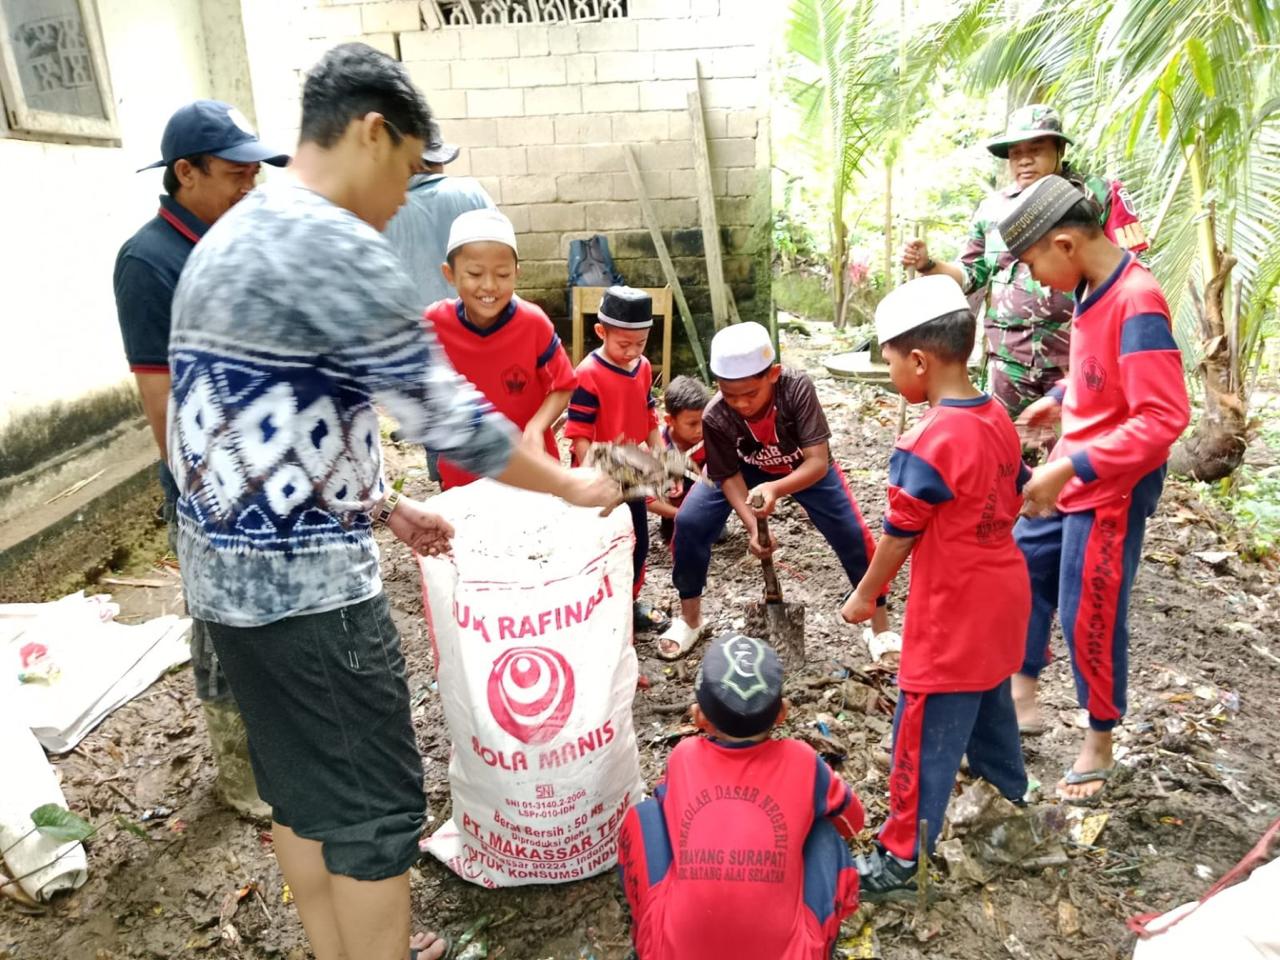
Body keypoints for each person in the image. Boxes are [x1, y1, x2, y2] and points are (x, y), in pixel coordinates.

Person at [166, 43, 619, 960]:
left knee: (299, 790)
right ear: (372, 133)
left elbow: (243, 423)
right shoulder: (334, 242)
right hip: (313, 600)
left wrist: (379, 506)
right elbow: (452, 419)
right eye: (411, 169)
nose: (407, 195)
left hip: (223, 586)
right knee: (374, 810)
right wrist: (573, 483)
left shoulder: (230, 236)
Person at [112, 99, 288, 819]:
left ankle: (278, 744)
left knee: (272, 623)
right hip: (212, 488)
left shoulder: (235, 241)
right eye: (236, 175)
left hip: (272, 468)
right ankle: (239, 768)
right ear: (185, 173)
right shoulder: (149, 262)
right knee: (221, 627)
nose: (251, 190)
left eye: (256, 176)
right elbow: (163, 404)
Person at [998, 175, 1189, 802]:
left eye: (1032, 263)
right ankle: (1023, 693)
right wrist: (1058, 401)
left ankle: (1098, 740)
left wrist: (1071, 468)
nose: (1034, 278)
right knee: (1025, 564)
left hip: (1109, 488)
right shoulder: (1088, 286)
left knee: (1091, 613)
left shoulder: (1138, 301)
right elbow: (1098, 376)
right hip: (1073, 466)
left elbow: (1162, 418)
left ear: (1065, 244)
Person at [840, 275, 1031, 901]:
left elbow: (899, 534)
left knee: (920, 733)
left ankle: (899, 860)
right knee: (988, 698)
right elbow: (1019, 489)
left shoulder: (927, 440)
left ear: (919, 360)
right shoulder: (997, 415)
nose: (893, 372)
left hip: (952, 612)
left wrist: (866, 596)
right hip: (1005, 595)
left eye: (890, 361)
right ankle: (1009, 794)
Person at [901, 104, 1149, 447]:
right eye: (1015, 153)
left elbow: (1127, 265)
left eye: (1035, 150)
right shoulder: (993, 209)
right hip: (1008, 359)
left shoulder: (1097, 195)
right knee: (1002, 451)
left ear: (1059, 150)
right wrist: (929, 265)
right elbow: (973, 273)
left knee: (1073, 452)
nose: (1024, 160)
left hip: (1076, 358)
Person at [616, 633, 864, 960]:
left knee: (647, 814)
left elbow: (669, 814)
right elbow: (852, 821)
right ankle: (821, 945)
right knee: (826, 833)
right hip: (791, 954)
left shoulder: (683, 757)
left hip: (669, 951)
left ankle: (647, 935)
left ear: (698, 718)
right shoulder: (804, 761)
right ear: (783, 714)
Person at [659, 321, 893, 660]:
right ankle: (690, 619)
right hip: (744, 467)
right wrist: (754, 528)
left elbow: (817, 462)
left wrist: (776, 487)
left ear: (773, 374)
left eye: (750, 394)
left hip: (804, 467)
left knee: (852, 534)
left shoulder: (796, 389)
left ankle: (880, 627)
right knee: (691, 522)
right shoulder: (716, 416)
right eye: (729, 394)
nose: (740, 404)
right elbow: (728, 477)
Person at [424, 208, 576, 489]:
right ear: (449, 273)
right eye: (474, 273)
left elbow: (563, 385)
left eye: (503, 274)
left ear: (517, 273)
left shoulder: (533, 323)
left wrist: (536, 427)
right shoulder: (434, 322)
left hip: (530, 468)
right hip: (464, 471)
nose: (489, 285)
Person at [565, 285, 670, 634]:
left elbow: (648, 412)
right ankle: (590, 605)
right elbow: (579, 436)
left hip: (632, 470)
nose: (632, 352)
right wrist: (595, 476)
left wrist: (660, 452)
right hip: (596, 477)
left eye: (640, 344)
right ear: (601, 332)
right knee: (595, 546)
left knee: (638, 539)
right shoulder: (587, 374)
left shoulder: (641, 368)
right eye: (623, 344)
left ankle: (628, 602)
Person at [383, 118, 495, 309]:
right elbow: (503, 258)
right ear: (438, 160)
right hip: (473, 325)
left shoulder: (384, 209)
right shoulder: (472, 193)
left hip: (412, 330)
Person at [648, 374, 710, 543]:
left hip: (705, 502)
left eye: (703, 421)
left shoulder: (710, 441)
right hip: (674, 510)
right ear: (670, 420)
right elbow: (647, 500)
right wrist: (681, 515)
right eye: (692, 424)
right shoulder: (658, 447)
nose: (699, 430)